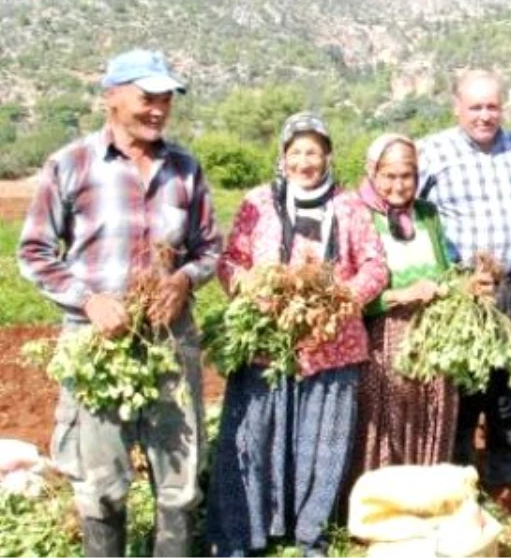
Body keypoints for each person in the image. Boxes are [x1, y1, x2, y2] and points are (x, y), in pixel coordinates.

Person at [18, 49, 221, 558]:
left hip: (170, 343)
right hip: (98, 346)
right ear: (112, 97)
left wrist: (184, 281)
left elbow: (209, 247)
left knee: (179, 481)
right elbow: (35, 252)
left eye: (166, 100)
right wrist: (89, 303)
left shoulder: (185, 168)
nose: (158, 109)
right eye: (147, 98)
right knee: (101, 484)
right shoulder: (71, 164)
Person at [206, 113, 388, 557]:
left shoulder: (348, 206)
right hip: (267, 345)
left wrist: (341, 299)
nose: (305, 162)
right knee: (253, 438)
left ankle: (311, 535)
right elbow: (230, 259)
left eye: (314, 151)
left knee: (321, 445)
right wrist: (250, 287)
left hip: (332, 346)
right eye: (296, 152)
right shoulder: (257, 202)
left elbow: (375, 265)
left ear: (327, 156)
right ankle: (246, 534)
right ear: (282, 157)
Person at [417, 70, 511, 492]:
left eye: (492, 106)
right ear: (457, 107)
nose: (485, 116)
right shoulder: (433, 152)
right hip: (465, 287)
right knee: (468, 377)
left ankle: (504, 460)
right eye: (476, 107)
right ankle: (462, 468)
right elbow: (404, 208)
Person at [349, 133, 458, 477]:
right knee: (387, 418)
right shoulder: (358, 215)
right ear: (372, 173)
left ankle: (424, 501)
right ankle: (382, 505)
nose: (398, 185)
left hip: (433, 334)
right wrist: (401, 295)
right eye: (389, 176)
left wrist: (465, 285)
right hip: (385, 336)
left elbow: (446, 269)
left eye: (407, 175)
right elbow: (349, 294)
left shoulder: (427, 213)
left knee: (431, 414)